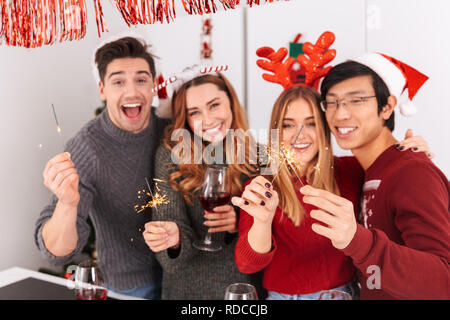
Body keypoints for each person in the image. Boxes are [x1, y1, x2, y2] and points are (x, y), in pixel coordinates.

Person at [232, 35, 435, 300]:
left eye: (311, 122)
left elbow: (389, 168)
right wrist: (262, 220)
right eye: (288, 124)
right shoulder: (262, 186)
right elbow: (248, 264)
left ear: (325, 126)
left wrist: (410, 150)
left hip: (340, 294)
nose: (299, 135)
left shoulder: (351, 170)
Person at [300, 52, 450, 299]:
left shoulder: (411, 172)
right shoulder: (367, 170)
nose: (340, 115)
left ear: (387, 107)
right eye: (332, 102)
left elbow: (442, 281)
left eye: (356, 100)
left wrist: (357, 240)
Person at [35, 36, 170, 299]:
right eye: (118, 81)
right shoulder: (86, 147)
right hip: (129, 288)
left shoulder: (171, 129)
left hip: (180, 278)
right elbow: (55, 252)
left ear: (153, 86)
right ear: (102, 89)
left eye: (141, 80)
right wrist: (67, 203)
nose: (132, 92)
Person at [142, 68, 265, 299]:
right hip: (187, 291)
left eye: (214, 105)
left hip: (242, 291)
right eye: (195, 112)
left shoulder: (260, 156)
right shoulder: (170, 156)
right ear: (185, 118)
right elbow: (170, 237)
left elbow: (274, 231)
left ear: (231, 102)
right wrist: (173, 237)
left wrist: (239, 223)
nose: (208, 120)